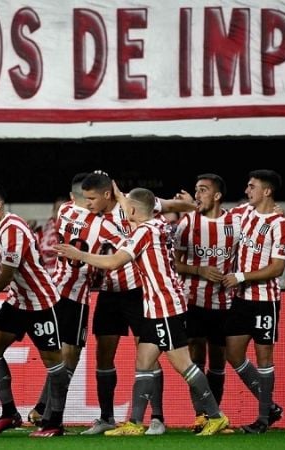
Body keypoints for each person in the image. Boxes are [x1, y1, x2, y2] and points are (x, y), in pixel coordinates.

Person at [56, 184, 230, 436]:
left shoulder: (143, 233)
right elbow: (136, 208)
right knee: (144, 361)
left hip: (164, 305)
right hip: (155, 303)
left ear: (135, 210)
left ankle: (215, 416)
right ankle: (135, 423)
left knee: (184, 364)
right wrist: (117, 195)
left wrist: (79, 254)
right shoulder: (158, 225)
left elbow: (114, 261)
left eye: (129, 207)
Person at [77, 171, 196, 436]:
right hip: (109, 291)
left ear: (107, 194)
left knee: (150, 356)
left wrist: (193, 206)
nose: (88, 204)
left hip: (138, 292)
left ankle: (157, 417)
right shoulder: (88, 220)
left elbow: (169, 205)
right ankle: (106, 417)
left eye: (92, 198)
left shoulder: (131, 207)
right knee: (104, 354)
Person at [0, 181, 70, 438]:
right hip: (18, 301)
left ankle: (54, 423)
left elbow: (6, 276)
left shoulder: (13, 229)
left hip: (40, 303)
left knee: (54, 363)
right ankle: (9, 414)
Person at [27, 173, 120, 427]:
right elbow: (124, 238)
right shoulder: (103, 224)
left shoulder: (64, 211)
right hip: (77, 296)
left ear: (71, 197)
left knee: (59, 358)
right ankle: (50, 416)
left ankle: (41, 408)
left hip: (55, 288)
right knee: (70, 359)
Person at [222, 169, 285, 434]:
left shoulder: (279, 224)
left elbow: (277, 268)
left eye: (252, 186)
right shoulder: (244, 213)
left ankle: (262, 419)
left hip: (265, 301)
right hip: (242, 299)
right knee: (234, 354)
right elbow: (217, 217)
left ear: (267, 191)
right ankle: (270, 406)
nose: (247, 190)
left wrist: (240, 275)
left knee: (264, 358)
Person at [172, 173, 234, 432]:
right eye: (196, 190)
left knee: (218, 362)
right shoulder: (187, 222)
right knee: (197, 357)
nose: (197, 195)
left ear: (217, 195)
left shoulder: (235, 222)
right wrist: (199, 271)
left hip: (224, 303)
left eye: (203, 190)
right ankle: (201, 416)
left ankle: (215, 418)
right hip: (192, 300)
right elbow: (174, 263)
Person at [37, 197, 67, 274]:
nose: (61, 213)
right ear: (53, 211)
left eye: (64, 210)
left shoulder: (76, 231)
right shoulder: (42, 230)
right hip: (44, 272)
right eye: (58, 209)